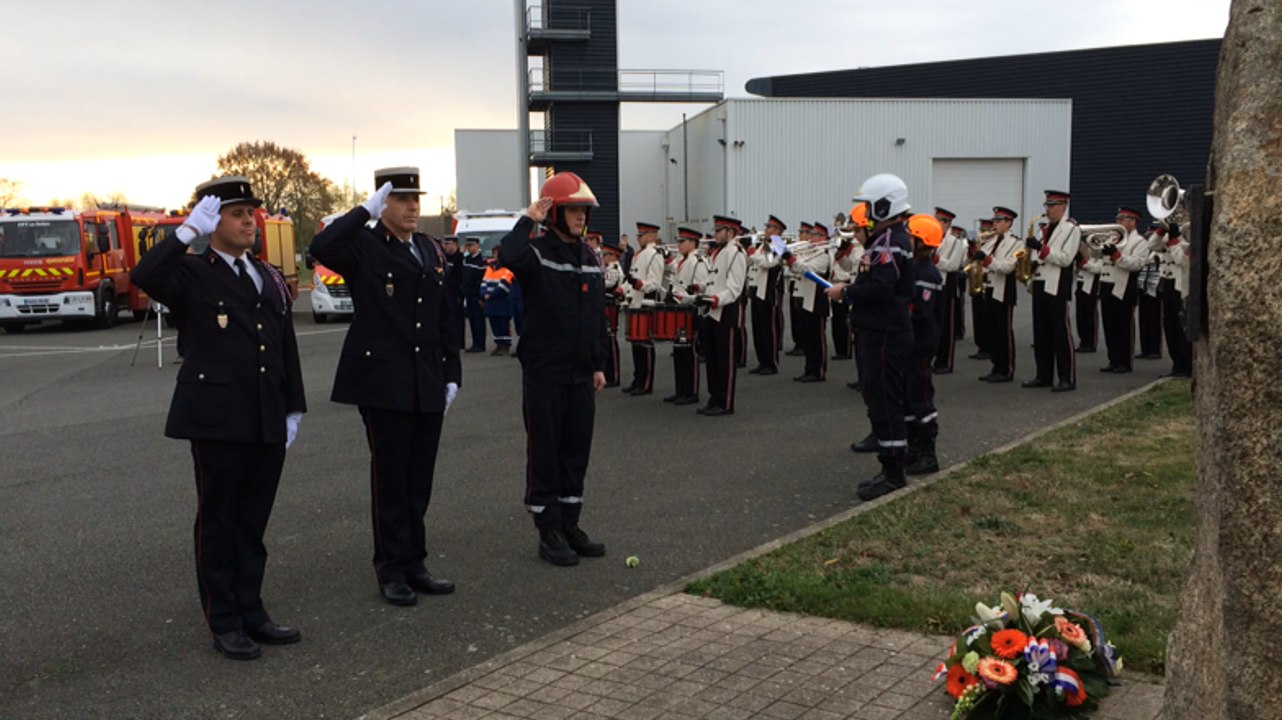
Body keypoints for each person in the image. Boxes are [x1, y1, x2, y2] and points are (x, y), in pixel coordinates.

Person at [130, 176, 306, 660]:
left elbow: (283, 342)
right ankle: (223, 619)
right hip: (217, 418)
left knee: (252, 521)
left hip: (266, 414)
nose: (250, 220)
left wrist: (293, 403)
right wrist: (184, 234)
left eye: (252, 212)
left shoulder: (265, 273)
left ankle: (252, 609)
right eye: (237, 213)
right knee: (219, 520)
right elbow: (145, 275)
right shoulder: (192, 272)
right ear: (213, 222)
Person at [309, 167, 461, 607]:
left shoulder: (432, 250)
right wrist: (362, 212)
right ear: (383, 204)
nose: (413, 207)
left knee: (419, 479)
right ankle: (391, 568)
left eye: (417, 199)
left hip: (427, 379)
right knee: (391, 479)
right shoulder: (364, 245)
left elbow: (445, 314)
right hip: (384, 382)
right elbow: (321, 246)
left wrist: (452, 372)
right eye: (402, 199)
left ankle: (415, 562)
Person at [499, 172, 609, 567]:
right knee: (545, 451)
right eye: (574, 210)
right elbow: (507, 255)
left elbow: (597, 316)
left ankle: (570, 524)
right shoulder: (537, 252)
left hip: (581, 373)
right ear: (554, 213)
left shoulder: (590, 257)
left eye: (584, 211)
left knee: (575, 451)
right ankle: (549, 531)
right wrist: (528, 217)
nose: (581, 217)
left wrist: (599, 365)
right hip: (545, 372)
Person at [824, 174, 915, 501]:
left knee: (886, 399)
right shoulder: (888, 238)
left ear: (883, 204)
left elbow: (880, 287)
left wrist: (845, 292)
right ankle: (889, 463)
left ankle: (893, 473)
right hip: (878, 330)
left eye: (869, 204)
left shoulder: (890, 241)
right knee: (879, 397)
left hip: (884, 332)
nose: (864, 211)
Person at [1022, 190, 1082, 392]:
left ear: (1063, 206)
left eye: (1052, 205)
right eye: (1046, 205)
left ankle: (1067, 377)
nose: (1047, 209)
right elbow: (1039, 255)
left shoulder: (1071, 229)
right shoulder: (1045, 229)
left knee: (1060, 333)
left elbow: (1066, 258)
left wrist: (1041, 249)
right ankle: (1043, 375)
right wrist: (1031, 261)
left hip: (1056, 284)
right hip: (1039, 282)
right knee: (1041, 333)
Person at [904, 214, 945, 476]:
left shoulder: (927, 273)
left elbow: (919, 310)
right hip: (908, 343)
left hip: (920, 344)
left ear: (921, 241)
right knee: (908, 400)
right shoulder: (913, 268)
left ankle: (928, 454)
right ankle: (914, 449)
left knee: (921, 399)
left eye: (910, 237)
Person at [695, 215, 748, 416]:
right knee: (712, 359)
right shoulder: (719, 252)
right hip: (712, 311)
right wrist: (700, 289)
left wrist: (716, 299)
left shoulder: (736, 253)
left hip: (726, 312)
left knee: (725, 360)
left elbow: (735, 288)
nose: (714, 234)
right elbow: (713, 280)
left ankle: (725, 402)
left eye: (719, 230)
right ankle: (714, 397)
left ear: (731, 232)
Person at [1097, 206, 1149, 373]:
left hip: (1124, 285)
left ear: (1132, 222)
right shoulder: (1113, 238)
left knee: (1123, 325)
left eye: (1122, 219)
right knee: (1109, 324)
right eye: (1117, 219)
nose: (1117, 222)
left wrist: (1116, 256)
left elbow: (1137, 264)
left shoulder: (1139, 241)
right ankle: (1113, 359)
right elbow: (1098, 258)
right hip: (1106, 282)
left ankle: (1125, 362)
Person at [665, 227, 709, 405]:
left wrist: (695, 289)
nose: (679, 245)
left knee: (689, 352)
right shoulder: (680, 261)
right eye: (679, 241)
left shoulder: (698, 262)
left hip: (690, 309)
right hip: (678, 309)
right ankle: (680, 389)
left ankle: (691, 392)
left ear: (693, 243)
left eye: (682, 241)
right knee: (678, 351)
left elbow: (704, 285)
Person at [977, 207, 1020, 383]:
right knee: (992, 331)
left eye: (998, 221)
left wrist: (987, 260)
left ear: (1008, 223)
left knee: (1004, 331)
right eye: (994, 221)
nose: (994, 224)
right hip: (988, 287)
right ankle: (996, 366)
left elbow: (1008, 266)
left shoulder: (1017, 243)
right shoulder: (990, 241)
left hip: (1004, 289)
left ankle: (1007, 369)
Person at [784, 221, 831, 382]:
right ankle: (809, 369)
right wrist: (790, 260)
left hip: (816, 299)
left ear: (824, 237)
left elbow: (807, 269)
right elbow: (794, 268)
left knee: (816, 337)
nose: (811, 238)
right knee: (807, 336)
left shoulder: (823, 255)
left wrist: (792, 260)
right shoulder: (808, 252)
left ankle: (818, 370)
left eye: (815, 235)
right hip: (803, 297)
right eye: (811, 234)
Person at [622, 222, 665, 396]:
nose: (638, 238)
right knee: (636, 343)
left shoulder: (654, 255)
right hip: (635, 302)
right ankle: (637, 379)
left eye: (641, 235)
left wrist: (639, 284)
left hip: (646, 303)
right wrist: (624, 289)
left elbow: (654, 283)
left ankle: (645, 382)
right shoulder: (639, 255)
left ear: (650, 236)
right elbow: (632, 278)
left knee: (645, 344)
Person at [747, 215, 787, 375]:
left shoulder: (779, 245)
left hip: (769, 290)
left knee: (768, 328)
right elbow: (751, 260)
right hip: (757, 288)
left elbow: (768, 263)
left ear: (777, 231)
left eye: (769, 227)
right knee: (758, 327)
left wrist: (753, 254)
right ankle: (762, 360)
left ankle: (771, 362)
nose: (766, 230)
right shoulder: (764, 245)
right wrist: (751, 253)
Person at [1152, 223, 1193, 377]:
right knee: (1169, 327)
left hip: (1181, 288)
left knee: (1180, 328)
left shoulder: (1188, 242)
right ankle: (1176, 364)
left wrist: (1174, 240)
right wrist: (1161, 230)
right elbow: (1152, 245)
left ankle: (1186, 365)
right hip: (1167, 285)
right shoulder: (1171, 241)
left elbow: (1181, 260)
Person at [931, 207, 965, 374]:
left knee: (947, 326)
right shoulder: (932, 238)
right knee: (934, 324)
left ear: (947, 223)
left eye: (939, 220)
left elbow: (953, 265)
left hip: (947, 285)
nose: (936, 223)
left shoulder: (955, 241)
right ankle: (936, 358)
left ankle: (947, 361)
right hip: (933, 284)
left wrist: (936, 259)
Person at [600, 238, 626, 387]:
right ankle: (607, 373)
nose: (603, 258)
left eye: (606, 255)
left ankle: (614, 376)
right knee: (606, 341)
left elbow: (607, 284)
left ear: (613, 256)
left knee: (610, 340)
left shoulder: (614, 270)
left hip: (611, 307)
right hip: (606, 306)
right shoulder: (609, 268)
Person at [481, 247, 515, 355]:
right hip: (491, 301)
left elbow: (504, 284)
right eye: (493, 253)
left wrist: (491, 295)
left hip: (502, 300)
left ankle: (506, 344)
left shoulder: (508, 267)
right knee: (494, 323)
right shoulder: (490, 267)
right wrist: (483, 293)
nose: (494, 255)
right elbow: (484, 281)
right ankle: (498, 344)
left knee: (503, 324)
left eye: (496, 253)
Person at [460, 237, 487, 352]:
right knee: (472, 320)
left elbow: (482, 280)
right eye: (468, 246)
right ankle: (475, 343)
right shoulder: (466, 260)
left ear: (477, 246)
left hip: (477, 294)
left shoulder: (481, 261)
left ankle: (480, 344)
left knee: (478, 320)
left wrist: (481, 296)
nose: (469, 248)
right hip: (468, 294)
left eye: (471, 246)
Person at [441, 236, 465, 348]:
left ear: (454, 244)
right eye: (445, 244)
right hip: (446, 292)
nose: (445, 246)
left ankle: (459, 342)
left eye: (448, 244)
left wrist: (460, 293)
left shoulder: (459, 258)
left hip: (456, 293)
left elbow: (461, 277)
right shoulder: (445, 258)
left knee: (457, 319)